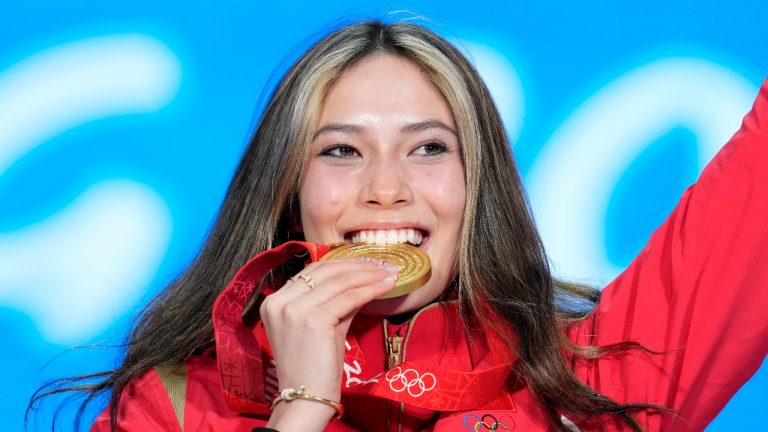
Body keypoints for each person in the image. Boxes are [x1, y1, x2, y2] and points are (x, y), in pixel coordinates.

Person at [34, 20, 767, 431]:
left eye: (428, 148)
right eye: (342, 151)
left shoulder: (591, 387)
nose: (386, 190)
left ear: (479, 187)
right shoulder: (178, 406)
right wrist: (302, 406)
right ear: (288, 189)